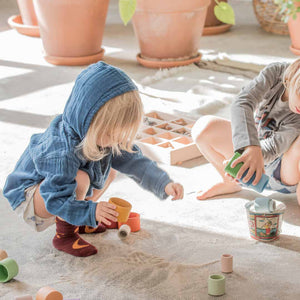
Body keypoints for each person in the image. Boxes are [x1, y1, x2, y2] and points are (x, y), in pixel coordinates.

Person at [3, 62, 184, 257]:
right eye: (110, 135)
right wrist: (91, 211)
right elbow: (55, 200)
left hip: (56, 191)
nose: (115, 141)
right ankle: (64, 235)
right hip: (31, 200)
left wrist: (163, 183)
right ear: (89, 122)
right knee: (81, 179)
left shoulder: (100, 136)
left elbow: (133, 161)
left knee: (110, 170)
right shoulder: (60, 152)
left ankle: (79, 217)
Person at [191, 59, 300, 203]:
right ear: (292, 74)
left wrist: (247, 156)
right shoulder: (276, 72)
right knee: (203, 127)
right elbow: (243, 102)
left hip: (284, 172)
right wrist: (247, 149)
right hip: (254, 161)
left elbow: (272, 148)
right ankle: (230, 183)